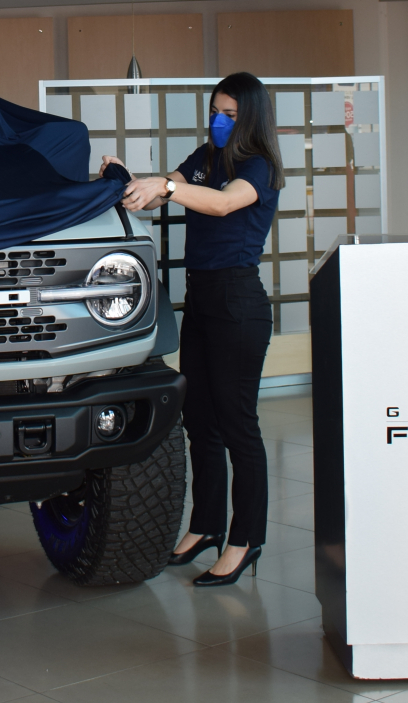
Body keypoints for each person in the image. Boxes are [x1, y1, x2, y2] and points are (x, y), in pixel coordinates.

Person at [111, 72, 284, 587]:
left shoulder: (259, 166)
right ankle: (206, 525)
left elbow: (223, 202)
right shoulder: (205, 157)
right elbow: (162, 195)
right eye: (215, 111)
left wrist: (167, 186)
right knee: (200, 421)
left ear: (251, 117)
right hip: (203, 300)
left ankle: (245, 538)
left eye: (230, 114)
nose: (219, 121)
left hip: (238, 303)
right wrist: (130, 182)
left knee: (237, 425)